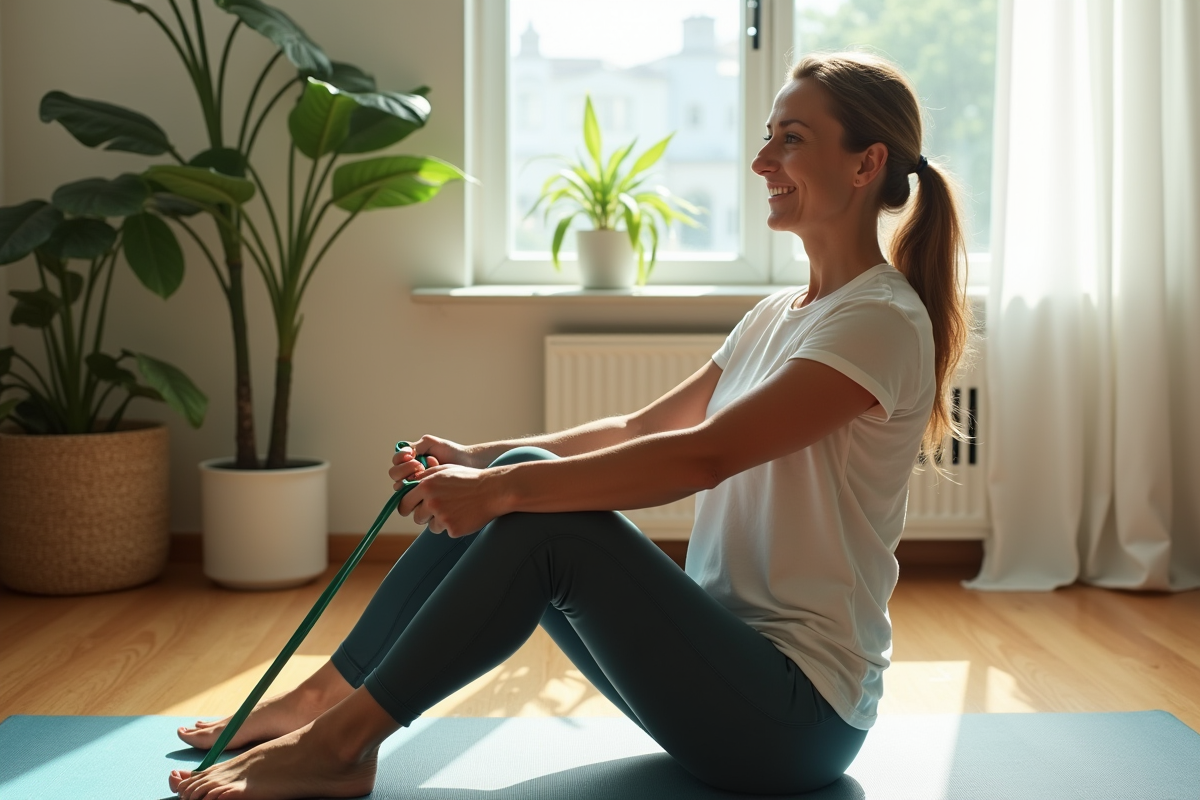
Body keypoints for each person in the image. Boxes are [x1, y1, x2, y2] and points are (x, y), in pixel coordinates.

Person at [169, 51, 970, 800]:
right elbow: (643, 424)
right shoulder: (777, 314)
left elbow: (704, 455)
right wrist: (483, 460)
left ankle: (339, 744)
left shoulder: (880, 322)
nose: (763, 162)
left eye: (790, 141)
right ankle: (324, 699)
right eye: (767, 138)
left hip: (796, 722)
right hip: (719, 676)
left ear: (866, 165)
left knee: (538, 522)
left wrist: (501, 490)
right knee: (520, 477)